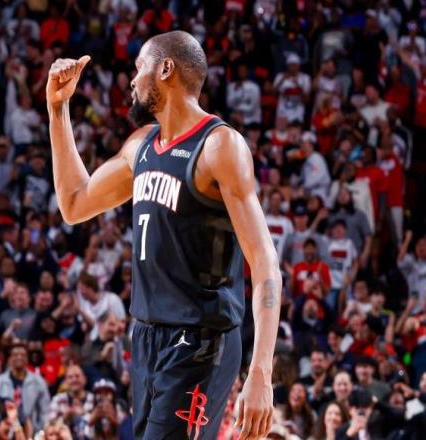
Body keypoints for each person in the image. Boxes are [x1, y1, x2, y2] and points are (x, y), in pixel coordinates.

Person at [47, 30, 281, 439]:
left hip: (201, 340)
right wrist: (57, 110)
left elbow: (264, 264)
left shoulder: (219, 146)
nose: (132, 81)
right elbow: (74, 203)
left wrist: (261, 371)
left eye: (140, 68)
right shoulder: (141, 146)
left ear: (166, 68)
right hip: (147, 335)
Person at [0, 342, 50, 436]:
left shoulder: (38, 381)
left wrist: (42, 433)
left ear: (27, 359)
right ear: (9, 359)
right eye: (15, 355)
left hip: (32, 431)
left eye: (23, 355)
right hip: (6, 431)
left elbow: (45, 411)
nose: (19, 357)